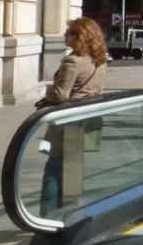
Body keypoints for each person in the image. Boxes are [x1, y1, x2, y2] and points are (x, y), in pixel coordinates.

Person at [38, 17, 109, 216]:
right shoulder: (100, 60)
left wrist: (47, 91)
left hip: (67, 121)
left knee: (53, 167)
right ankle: (70, 212)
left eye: (69, 32)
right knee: (73, 169)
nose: (64, 35)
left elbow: (61, 94)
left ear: (80, 37)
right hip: (87, 120)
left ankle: (48, 214)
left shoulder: (72, 61)